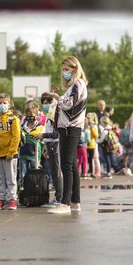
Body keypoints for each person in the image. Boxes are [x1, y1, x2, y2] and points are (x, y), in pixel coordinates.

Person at [44, 56, 88, 214]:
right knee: (73, 166)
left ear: (75, 69)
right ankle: (75, 201)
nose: (64, 73)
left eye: (67, 69)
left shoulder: (78, 84)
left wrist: (57, 98)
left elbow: (69, 104)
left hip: (70, 128)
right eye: (63, 70)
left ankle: (65, 203)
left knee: (66, 166)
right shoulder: (76, 85)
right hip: (69, 128)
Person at [36, 93, 63, 208]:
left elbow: (57, 133)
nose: (46, 105)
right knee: (54, 171)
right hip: (50, 144)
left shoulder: (54, 115)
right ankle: (58, 197)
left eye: (48, 102)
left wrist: (43, 135)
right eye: (44, 103)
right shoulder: (49, 115)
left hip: (55, 143)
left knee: (57, 172)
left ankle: (59, 198)